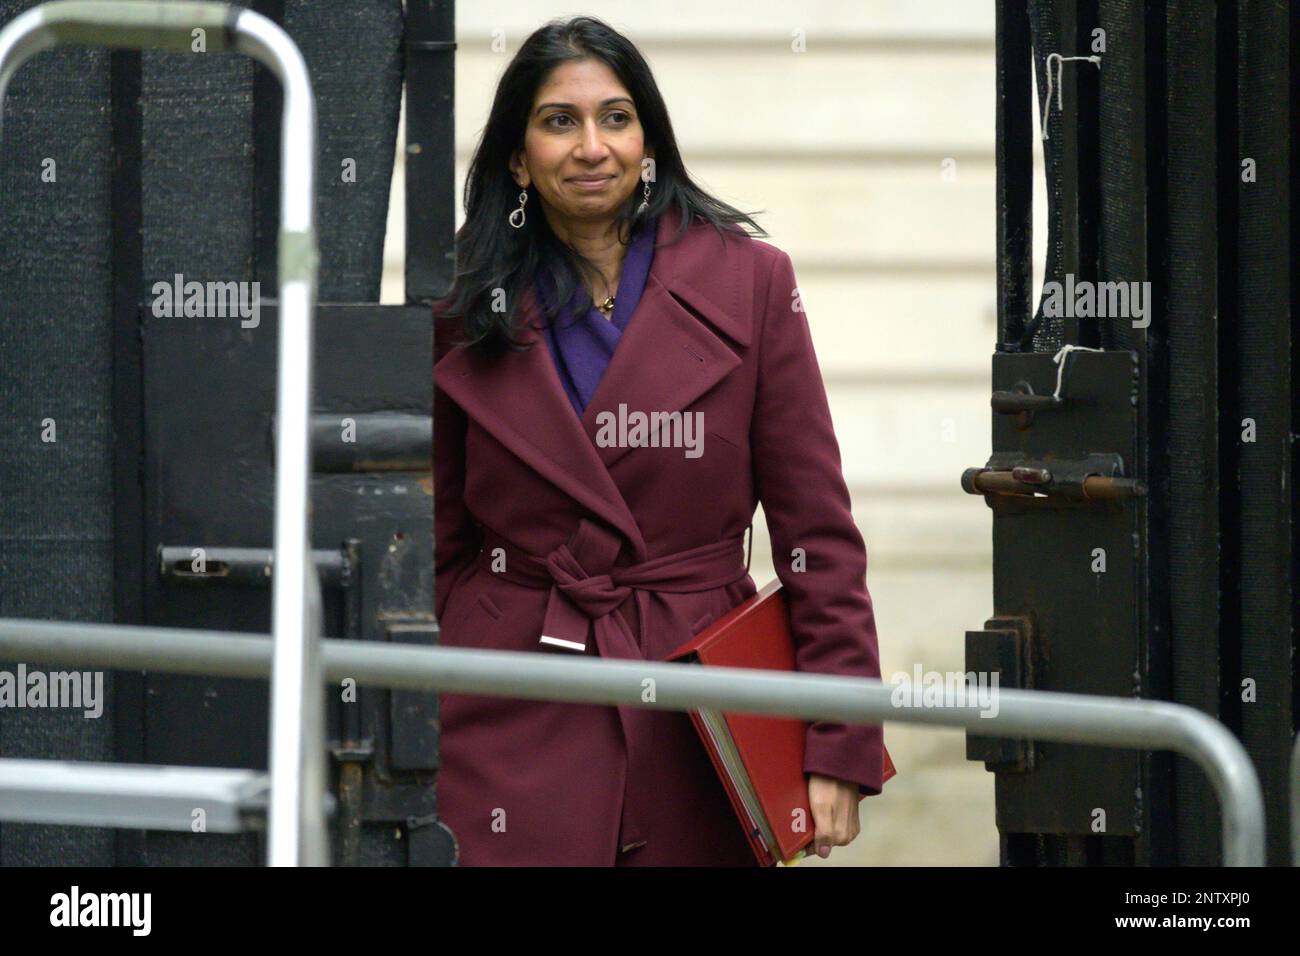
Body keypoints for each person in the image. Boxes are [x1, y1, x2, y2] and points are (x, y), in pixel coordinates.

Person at [432, 15, 884, 866]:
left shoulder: (753, 284)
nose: (591, 145)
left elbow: (816, 533)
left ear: (649, 143)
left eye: (616, 117)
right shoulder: (462, 306)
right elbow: (442, 539)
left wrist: (838, 739)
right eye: (558, 121)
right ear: (518, 159)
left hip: (695, 694)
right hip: (511, 695)